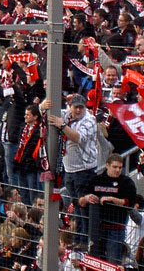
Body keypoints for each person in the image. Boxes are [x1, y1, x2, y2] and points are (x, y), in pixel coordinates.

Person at [41, 93, 97, 245]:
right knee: (75, 206)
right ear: (70, 107)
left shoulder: (90, 120)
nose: (78, 110)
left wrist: (62, 126)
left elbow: (79, 138)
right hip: (69, 170)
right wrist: (43, 106)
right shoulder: (67, 114)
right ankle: (78, 239)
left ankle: (85, 241)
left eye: (81, 107)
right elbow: (47, 112)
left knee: (83, 206)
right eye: (75, 107)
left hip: (84, 170)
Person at [78, 153, 137, 265]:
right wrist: (87, 198)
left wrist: (112, 199)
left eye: (120, 167)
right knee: (94, 261)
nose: (118, 170)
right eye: (115, 167)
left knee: (112, 262)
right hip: (95, 228)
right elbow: (80, 202)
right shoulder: (96, 180)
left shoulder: (126, 182)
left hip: (116, 228)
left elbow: (130, 203)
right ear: (107, 165)